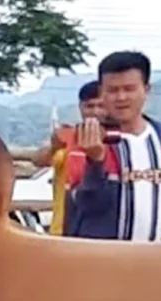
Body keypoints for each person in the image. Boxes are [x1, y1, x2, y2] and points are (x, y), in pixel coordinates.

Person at [63, 50, 161, 242]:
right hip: (102, 257)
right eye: (112, 90)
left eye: (129, 89)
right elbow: (82, 207)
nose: (121, 97)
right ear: (102, 93)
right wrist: (96, 162)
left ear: (146, 89)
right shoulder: (87, 139)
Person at [44, 81, 102, 236]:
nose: (95, 112)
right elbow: (39, 160)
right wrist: (54, 146)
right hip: (62, 228)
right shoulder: (67, 134)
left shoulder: (117, 139)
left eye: (100, 106)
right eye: (89, 106)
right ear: (80, 107)